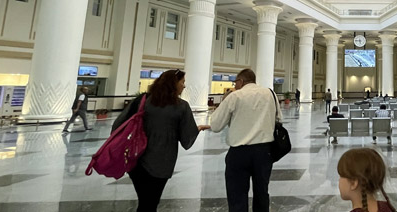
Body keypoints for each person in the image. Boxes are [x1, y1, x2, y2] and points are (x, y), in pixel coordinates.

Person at [112, 69, 209, 212]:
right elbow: (186, 138)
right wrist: (198, 129)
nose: (184, 86)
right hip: (161, 161)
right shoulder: (181, 106)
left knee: (144, 201)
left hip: (136, 159)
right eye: (182, 82)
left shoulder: (143, 100)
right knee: (151, 202)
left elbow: (118, 125)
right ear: (173, 84)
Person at [210, 69, 281, 212]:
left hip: (239, 152)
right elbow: (279, 119)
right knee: (262, 192)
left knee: (237, 195)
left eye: (235, 82)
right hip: (264, 151)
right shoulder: (270, 94)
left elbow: (215, 125)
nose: (235, 85)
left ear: (241, 81)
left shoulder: (235, 96)